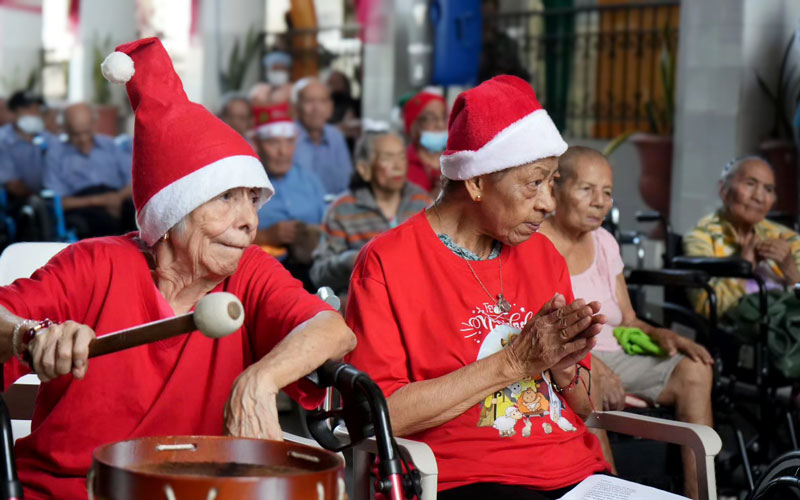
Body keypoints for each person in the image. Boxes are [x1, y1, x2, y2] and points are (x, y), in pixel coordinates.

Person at [0, 38, 356, 500]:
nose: (249, 219)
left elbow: (333, 329)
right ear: (173, 214)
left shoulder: (247, 272)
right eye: (227, 197)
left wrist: (259, 380)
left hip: (194, 491)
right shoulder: (92, 264)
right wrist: (31, 336)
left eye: (252, 198)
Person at [346, 76, 609, 499]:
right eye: (533, 182)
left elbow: (582, 408)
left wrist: (563, 366)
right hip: (464, 477)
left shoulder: (544, 256)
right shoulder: (388, 262)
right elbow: (378, 415)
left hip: (576, 474)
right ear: (476, 182)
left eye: (552, 181)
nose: (548, 203)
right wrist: (516, 361)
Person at [539, 146, 714, 500]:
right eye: (586, 189)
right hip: (568, 362)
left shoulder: (604, 242)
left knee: (696, 370)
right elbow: (543, 328)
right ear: (556, 188)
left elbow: (628, 318)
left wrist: (663, 334)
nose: (600, 202)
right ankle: (611, 493)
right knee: (589, 382)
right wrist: (594, 366)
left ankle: (700, 495)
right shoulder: (537, 242)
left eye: (606, 192)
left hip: (617, 356)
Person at [310, 130, 431, 302]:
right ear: (364, 169)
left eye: (402, 157)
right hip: (365, 306)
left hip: (418, 302)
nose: (398, 166)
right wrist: (349, 262)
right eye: (387, 158)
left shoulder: (422, 202)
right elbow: (318, 275)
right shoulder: (342, 209)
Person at [685, 156, 800, 317]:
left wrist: (792, 273)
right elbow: (706, 307)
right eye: (750, 184)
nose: (759, 197)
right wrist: (742, 266)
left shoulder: (787, 238)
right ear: (723, 189)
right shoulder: (702, 238)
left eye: (768, 189)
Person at [253, 101, 327, 289]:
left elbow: (330, 227)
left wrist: (314, 235)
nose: (282, 152)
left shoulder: (310, 181)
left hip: (313, 272)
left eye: (288, 142)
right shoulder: (246, 184)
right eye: (273, 143)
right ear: (257, 144)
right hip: (262, 276)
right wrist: (264, 236)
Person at [42, 102, 135, 238]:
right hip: (83, 206)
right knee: (101, 223)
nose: (83, 139)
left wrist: (117, 198)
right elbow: (57, 202)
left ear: (94, 124)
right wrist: (100, 200)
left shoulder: (111, 146)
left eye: (87, 132)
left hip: (118, 199)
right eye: (76, 134)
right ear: (65, 129)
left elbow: (134, 183)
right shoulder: (55, 155)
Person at [291, 77, 353, 196]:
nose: (317, 109)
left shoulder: (336, 136)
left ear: (331, 107)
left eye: (323, 101)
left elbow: (346, 184)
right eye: (309, 101)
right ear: (296, 107)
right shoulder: (288, 137)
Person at [0, 91, 56, 201]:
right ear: (13, 113)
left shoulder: (48, 138)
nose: (34, 113)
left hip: (50, 199)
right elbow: (13, 185)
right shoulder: (3, 140)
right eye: (28, 109)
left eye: (37, 109)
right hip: (16, 202)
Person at [403, 90, 447, 195]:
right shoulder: (403, 163)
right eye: (431, 118)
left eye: (444, 117)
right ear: (413, 126)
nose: (440, 124)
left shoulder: (457, 160)